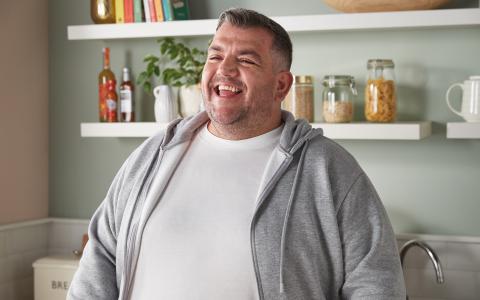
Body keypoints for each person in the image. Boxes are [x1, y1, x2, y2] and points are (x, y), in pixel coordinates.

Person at [68, 8, 406, 300]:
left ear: (281, 86)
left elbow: (376, 283)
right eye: (215, 56)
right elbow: (99, 262)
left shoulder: (328, 169)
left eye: (245, 59)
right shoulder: (153, 155)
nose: (224, 69)